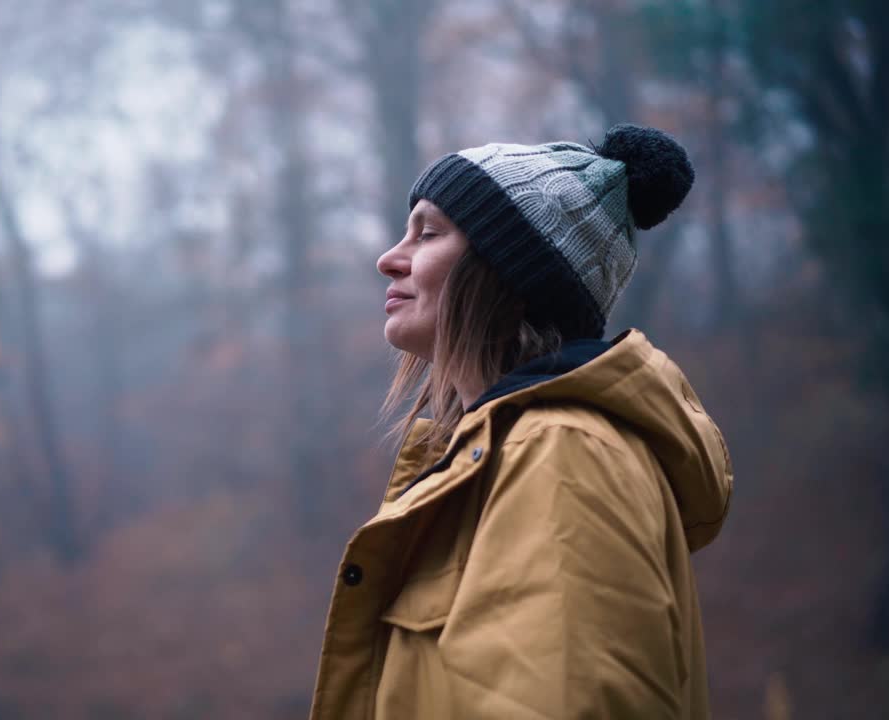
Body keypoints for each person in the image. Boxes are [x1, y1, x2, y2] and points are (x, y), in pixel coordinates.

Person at [307, 124, 734, 719]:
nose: (388, 259)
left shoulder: (563, 455)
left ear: (506, 273)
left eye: (428, 233)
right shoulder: (497, 458)